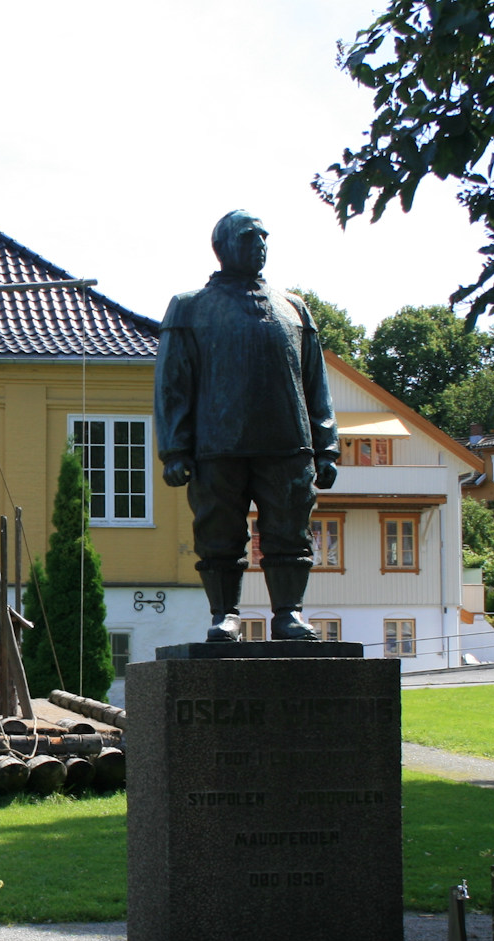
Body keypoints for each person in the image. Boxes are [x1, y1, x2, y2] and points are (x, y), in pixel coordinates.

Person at [155, 210, 338, 642]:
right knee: (219, 532)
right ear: (224, 246)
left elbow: (316, 381)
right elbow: (172, 383)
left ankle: (288, 613)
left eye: (263, 237)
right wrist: (175, 450)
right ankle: (225, 615)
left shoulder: (293, 307)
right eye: (249, 237)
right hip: (217, 446)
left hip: (288, 443)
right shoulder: (190, 306)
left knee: (289, 531)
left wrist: (326, 445)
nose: (260, 244)